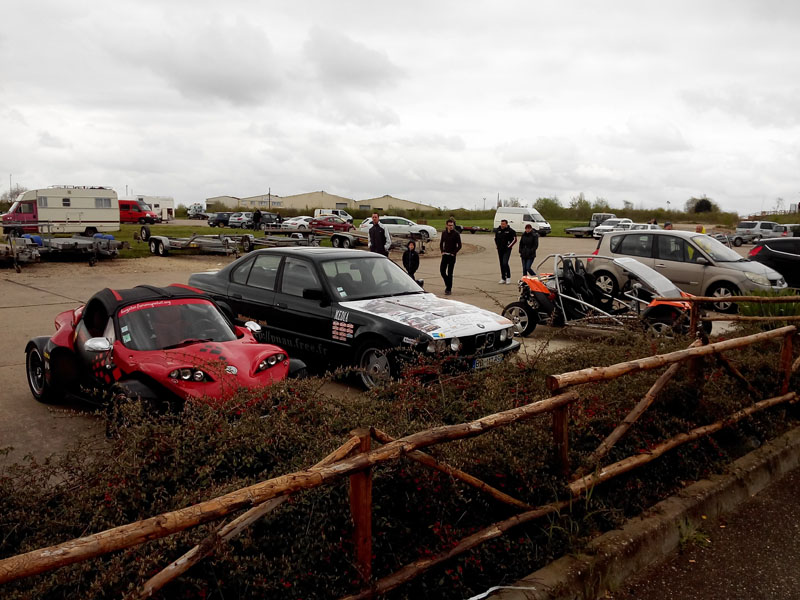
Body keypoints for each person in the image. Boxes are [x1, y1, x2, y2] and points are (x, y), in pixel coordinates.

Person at [439, 218, 462, 295]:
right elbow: (441, 243)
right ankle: (447, 284)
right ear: (446, 225)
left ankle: (449, 289)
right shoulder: (444, 233)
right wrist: (442, 251)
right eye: (449, 225)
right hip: (445, 255)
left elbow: (459, 246)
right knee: (442, 271)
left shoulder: (456, 234)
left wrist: (454, 253)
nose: (451, 227)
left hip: (452, 256)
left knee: (450, 273)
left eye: (452, 225)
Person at [494, 219, 517, 283]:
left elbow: (515, 239)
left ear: (506, 224)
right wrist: (497, 245)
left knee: (505, 262)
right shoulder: (498, 230)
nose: (502, 225)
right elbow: (496, 239)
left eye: (504, 224)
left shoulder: (511, 231)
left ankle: (508, 277)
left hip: (507, 249)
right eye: (501, 224)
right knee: (501, 263)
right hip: (500, 249)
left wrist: (509, 246)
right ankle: (503, 277)